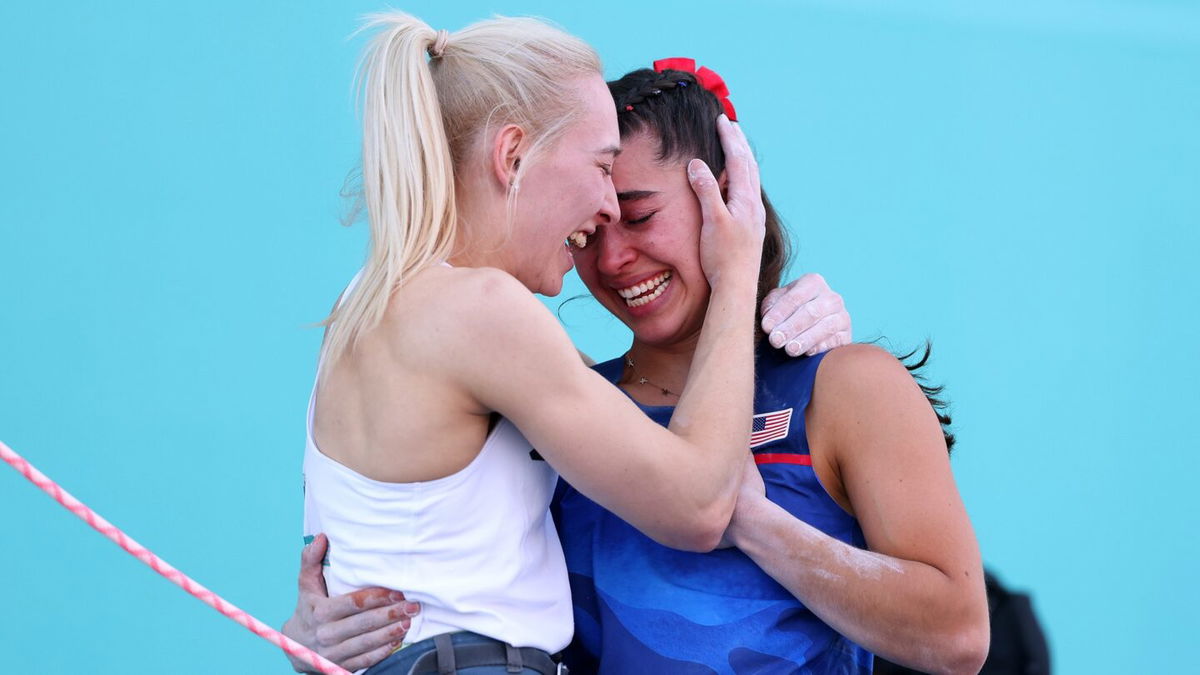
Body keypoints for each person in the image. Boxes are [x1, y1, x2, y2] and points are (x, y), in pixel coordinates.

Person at [288, 55, 989, 674]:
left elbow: (960, 635)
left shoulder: (842, 384)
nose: (614, 258)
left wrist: (760, 526)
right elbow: (446, 562)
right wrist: (320, 631)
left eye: (642, 215)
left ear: (726, 198)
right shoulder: (559, 398)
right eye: (591, 231)